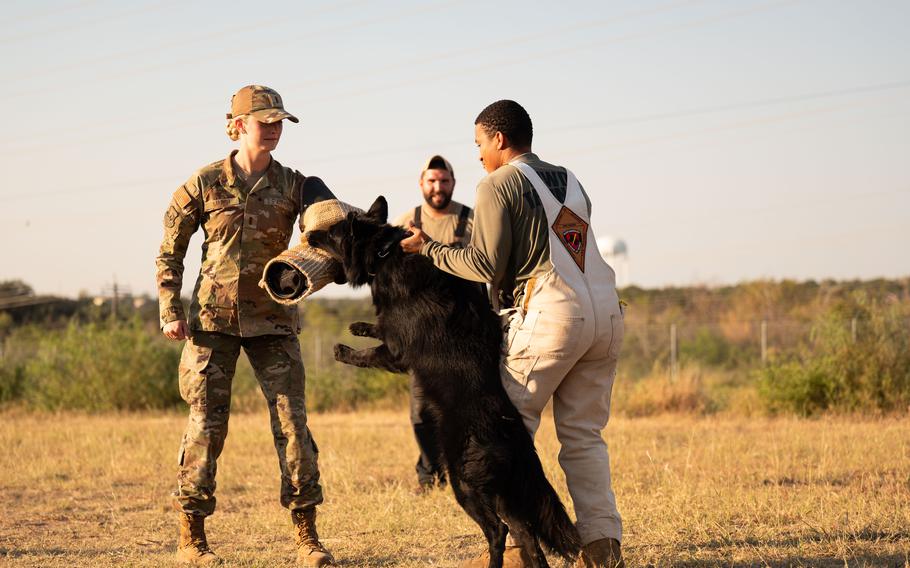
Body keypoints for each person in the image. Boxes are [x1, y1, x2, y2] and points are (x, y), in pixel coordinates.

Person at [401, 100, 625, 568]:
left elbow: (483, 264)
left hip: (552, 313)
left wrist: (428, 249)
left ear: (499, 139)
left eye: (480, 143)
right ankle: (603, 549)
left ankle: (522, 551)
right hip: (605, 311)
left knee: (493, 432)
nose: (479, 155)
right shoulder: (570, 178)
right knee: (584, 435)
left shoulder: (497, 183)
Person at [156, 85, 337, 567]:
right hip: (212, 322)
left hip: (274, 323)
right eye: (265, 121)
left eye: (280, 122)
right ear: (237, 126)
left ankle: (307, 538)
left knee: (293, 427)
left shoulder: (295, 185)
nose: (274, 129)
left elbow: (328, 231)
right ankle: (191, 540)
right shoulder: (205, 182)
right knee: (206, 427)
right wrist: (170, 308)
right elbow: (170, 246)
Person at [392, 155, 474, 493]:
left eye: (443, 181)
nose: (437, 187)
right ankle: (430, 475)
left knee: (463, 408)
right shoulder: (406, 221)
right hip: (422, 336)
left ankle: (464, 472)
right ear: (421, 183)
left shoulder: (470, 221)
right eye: (431, 181)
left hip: (462, 334)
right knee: (421, 411)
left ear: (453, 182)